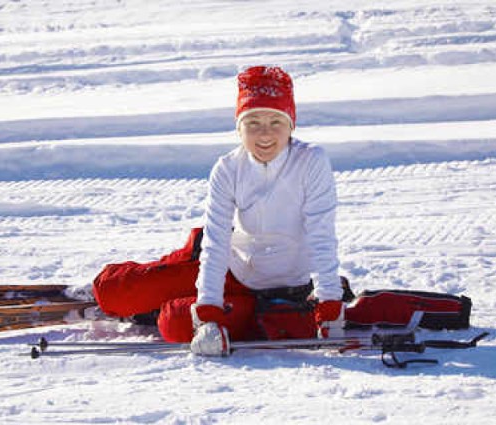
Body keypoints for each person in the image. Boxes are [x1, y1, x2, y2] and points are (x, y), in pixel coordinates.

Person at [91, 65, 346, 356]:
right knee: (111, 293)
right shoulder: (228, 168)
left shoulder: (311, 161)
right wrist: (209, 314)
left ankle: (156, 309)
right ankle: (134, 285)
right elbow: (216, 241)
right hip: (228, 268)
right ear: (239, 128)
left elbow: (321, 236)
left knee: (173, 324)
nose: (265, 134)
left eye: (276, 121)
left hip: (274, 292)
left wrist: (329, 309)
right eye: (253, 123)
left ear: (291, 126)